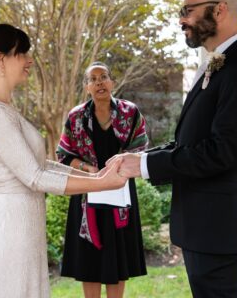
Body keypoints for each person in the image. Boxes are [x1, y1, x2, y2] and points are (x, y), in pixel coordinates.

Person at [108, 0, 237, 297]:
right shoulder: (219, 65)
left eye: (188, 11)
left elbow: (221, 152)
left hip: (219, 228)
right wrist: (138, 159)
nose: (181, 19)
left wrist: (145, 166)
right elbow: (192, 143)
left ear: (220, 10)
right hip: (205, 228)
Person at [0, 24, 126, 298]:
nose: (29, 61)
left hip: (21, 230)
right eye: (22, 53)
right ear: (1, 60)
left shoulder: (3, 109)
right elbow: (35, 177)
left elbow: (42, 164)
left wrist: (95, 177)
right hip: (8, 233)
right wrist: (101, 185)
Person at [56, 62, 148, 298]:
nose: (99, 82)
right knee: (89, 261)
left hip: (121, 193)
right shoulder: (76, 117)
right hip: (87, 194)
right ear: (87, 87)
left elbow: (142, 148)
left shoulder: (130, 112)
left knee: (118, 259)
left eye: (104, 77)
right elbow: (64, 155)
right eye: (93, 79)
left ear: (112, 83)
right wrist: (90, 169)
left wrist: (118, 167)